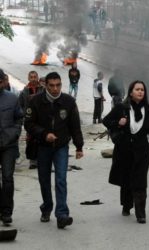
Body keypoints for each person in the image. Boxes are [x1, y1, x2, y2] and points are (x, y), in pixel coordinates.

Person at [24, 72, 84, 229]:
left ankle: (62, 214)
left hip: (61, 147)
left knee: (60, 180)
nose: (55, 89)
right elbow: (28, 124)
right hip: (42, 146)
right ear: (45, 85)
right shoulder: (35, 101)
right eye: (52, 85)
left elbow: (75, 126)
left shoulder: (69, 102)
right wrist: (44, 134)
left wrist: (79, 146)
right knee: (44, 180)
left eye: (58, 85)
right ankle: (47, 208)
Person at [103, 80, 149, 224]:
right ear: (131, 92)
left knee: (140, 181)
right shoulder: (121, 108)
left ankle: (141, 213)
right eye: (137, 89)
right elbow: (106, 121)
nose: (140, 92)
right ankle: (126, 205)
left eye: (142, 90)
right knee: (126, 179)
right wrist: (117, 123)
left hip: (142, 152)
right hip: (124, 150)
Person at [0, 69, 23, 225]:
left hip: (9, 145)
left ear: (4, 81)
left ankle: (7, 212)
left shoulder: (12, 99)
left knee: (7, 179)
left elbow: (19, 119)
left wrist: (14, 133)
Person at [19, 71, 44, 169]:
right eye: (31, 77)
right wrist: (23, 115)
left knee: (41, 138)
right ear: (28, 78)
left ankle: (41, 159)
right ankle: (32, 161)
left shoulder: (43, 90)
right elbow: (19, 105)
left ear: (37, 78)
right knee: (30, 140)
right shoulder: (24, 91)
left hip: (42, 119)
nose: (33, 79)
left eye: (35, 77)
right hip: (29, 120)